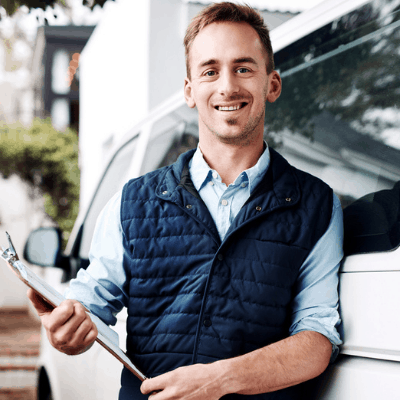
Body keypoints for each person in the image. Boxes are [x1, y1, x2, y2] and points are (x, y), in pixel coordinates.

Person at [28, 3, 343, 399]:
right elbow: (91, 305)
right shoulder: (132, 202)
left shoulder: (317, 205)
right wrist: (69, 331)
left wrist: (220, 379)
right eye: (210, 71)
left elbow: (317, 338)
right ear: (190, 91)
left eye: (243, 68)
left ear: (272, 84)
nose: (227, 86)